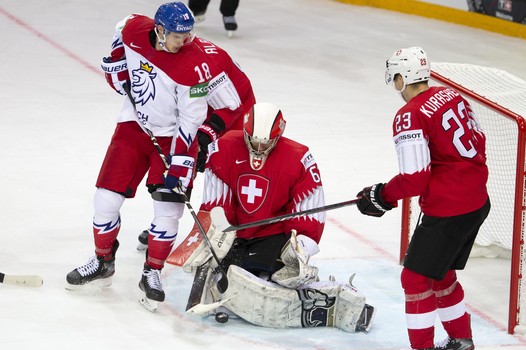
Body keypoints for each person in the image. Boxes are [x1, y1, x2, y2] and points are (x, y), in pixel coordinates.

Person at [65, 2, 226, 311]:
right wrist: (116, 66)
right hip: (133, 126)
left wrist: (180, 164)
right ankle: (103, 261)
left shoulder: (194, 66)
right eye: (178, 36)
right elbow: (121, 31)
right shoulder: (135, 28)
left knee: (168, 211)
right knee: (104, 200)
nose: (185, 41)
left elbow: (191, 121)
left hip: (174, 136)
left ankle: (152, 271)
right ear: (160, 30)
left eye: (188, 34)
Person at [355, 47, 490, 350]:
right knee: (439, 274)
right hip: (476, 200)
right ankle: (461, 345)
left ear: (401, 77)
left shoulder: (409, 115)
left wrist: (382, 195)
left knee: (414, 278)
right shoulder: (450, 95)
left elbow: (416, 177)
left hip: (449, 207)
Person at [182, 102, 375, 332]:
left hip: (273, 236)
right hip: (236, 234)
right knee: (224, 273)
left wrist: (299, 249)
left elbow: (309, 211)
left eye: (265, 143)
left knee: (269, 276)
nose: (258, 147)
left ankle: (325, 292)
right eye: (253, 140)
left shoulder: (300, 158)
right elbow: (217, 202)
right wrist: (218, 234)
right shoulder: (223, 148)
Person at [135, 34, 256, 251]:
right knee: (184, 163)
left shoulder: (208, 62)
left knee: (225, 173)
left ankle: (235, 230)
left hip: (235, 117)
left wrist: (206, 134)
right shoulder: (173, 50)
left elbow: (233, 105)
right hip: (201, 111)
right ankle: (165, 222)